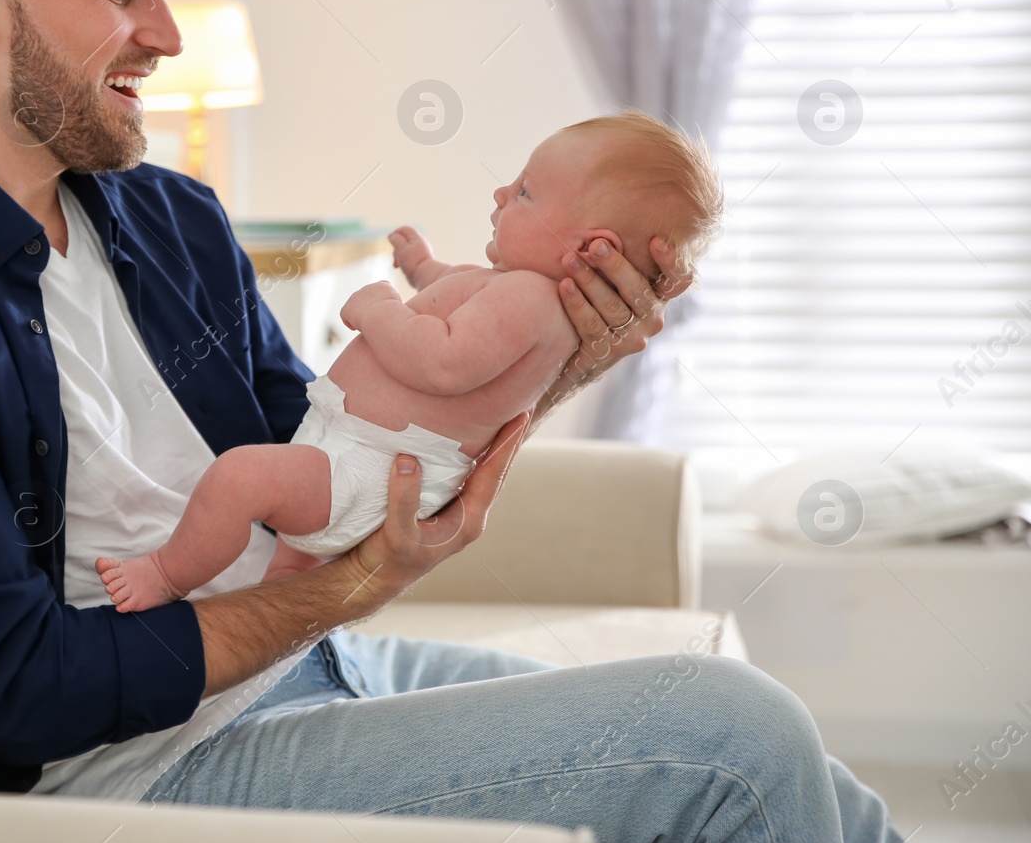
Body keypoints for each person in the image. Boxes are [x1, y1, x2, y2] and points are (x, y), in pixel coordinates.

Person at [0, 0, 903, 843]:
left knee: (812, 778)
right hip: (135, 772)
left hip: (305, 669)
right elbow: (21, 689)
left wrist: (556, 358)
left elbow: (340, 450)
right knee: (724, 734)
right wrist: (344, 590)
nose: (168, 32)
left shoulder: (167, 215)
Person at [97, 113, 723, 612]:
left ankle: (162, 574)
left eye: (527, 192)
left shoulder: (529, 303)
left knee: (240, 479)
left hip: (368, 472)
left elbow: (444, 363)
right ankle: (278, 606)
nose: (503, 192)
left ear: (594, 249)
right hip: (355, 460)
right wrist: (420, 266)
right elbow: (452, 289)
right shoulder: (516, 291)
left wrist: (378, 309)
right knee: (289, 564)